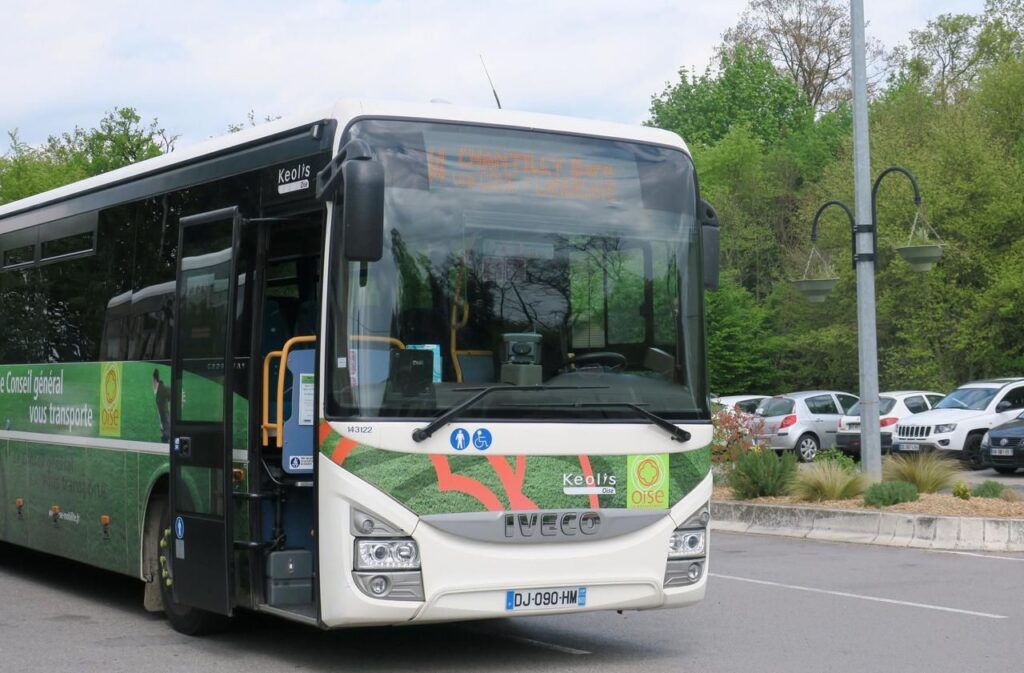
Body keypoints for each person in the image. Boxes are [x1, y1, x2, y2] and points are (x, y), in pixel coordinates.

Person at [153, 369, 171, 442]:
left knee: (165, 438)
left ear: (154, 380)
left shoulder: (162, 390)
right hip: (165, 423)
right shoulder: (159, 391)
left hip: (166, 424)